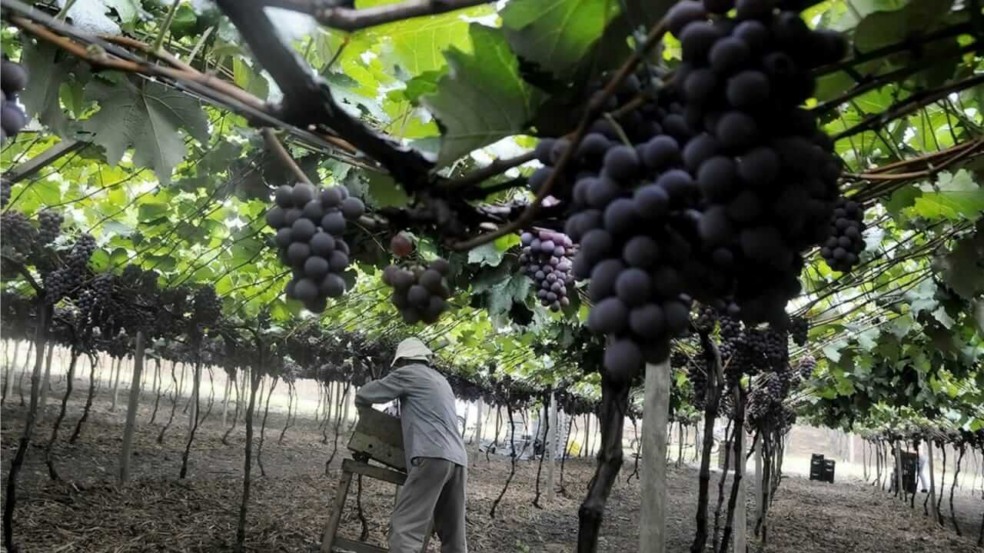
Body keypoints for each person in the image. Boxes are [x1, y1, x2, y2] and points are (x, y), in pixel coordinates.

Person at [355, 337, 468, 553]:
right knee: (453, 534)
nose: (398, 368)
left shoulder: (409, 373)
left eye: (399, 365)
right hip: (458, 459)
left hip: (432, 454)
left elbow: (366, 394)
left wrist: (365, 418)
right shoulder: (440, 380)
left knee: (405, 529)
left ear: (404, 361)